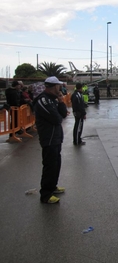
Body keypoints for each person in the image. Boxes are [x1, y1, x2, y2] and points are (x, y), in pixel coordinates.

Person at [33, 76, 68, 204]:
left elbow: (63, 114)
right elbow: (56, 119)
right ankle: (46, 194)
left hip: (56, 137)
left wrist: (61, 101)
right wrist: (58, 111)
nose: (61, 88)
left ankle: (53, 186)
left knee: (56, 164)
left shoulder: (53, 99)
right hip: (49, 138)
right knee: (49, 166)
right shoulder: (43, 100)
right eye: (59, 86)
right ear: (53, 86)